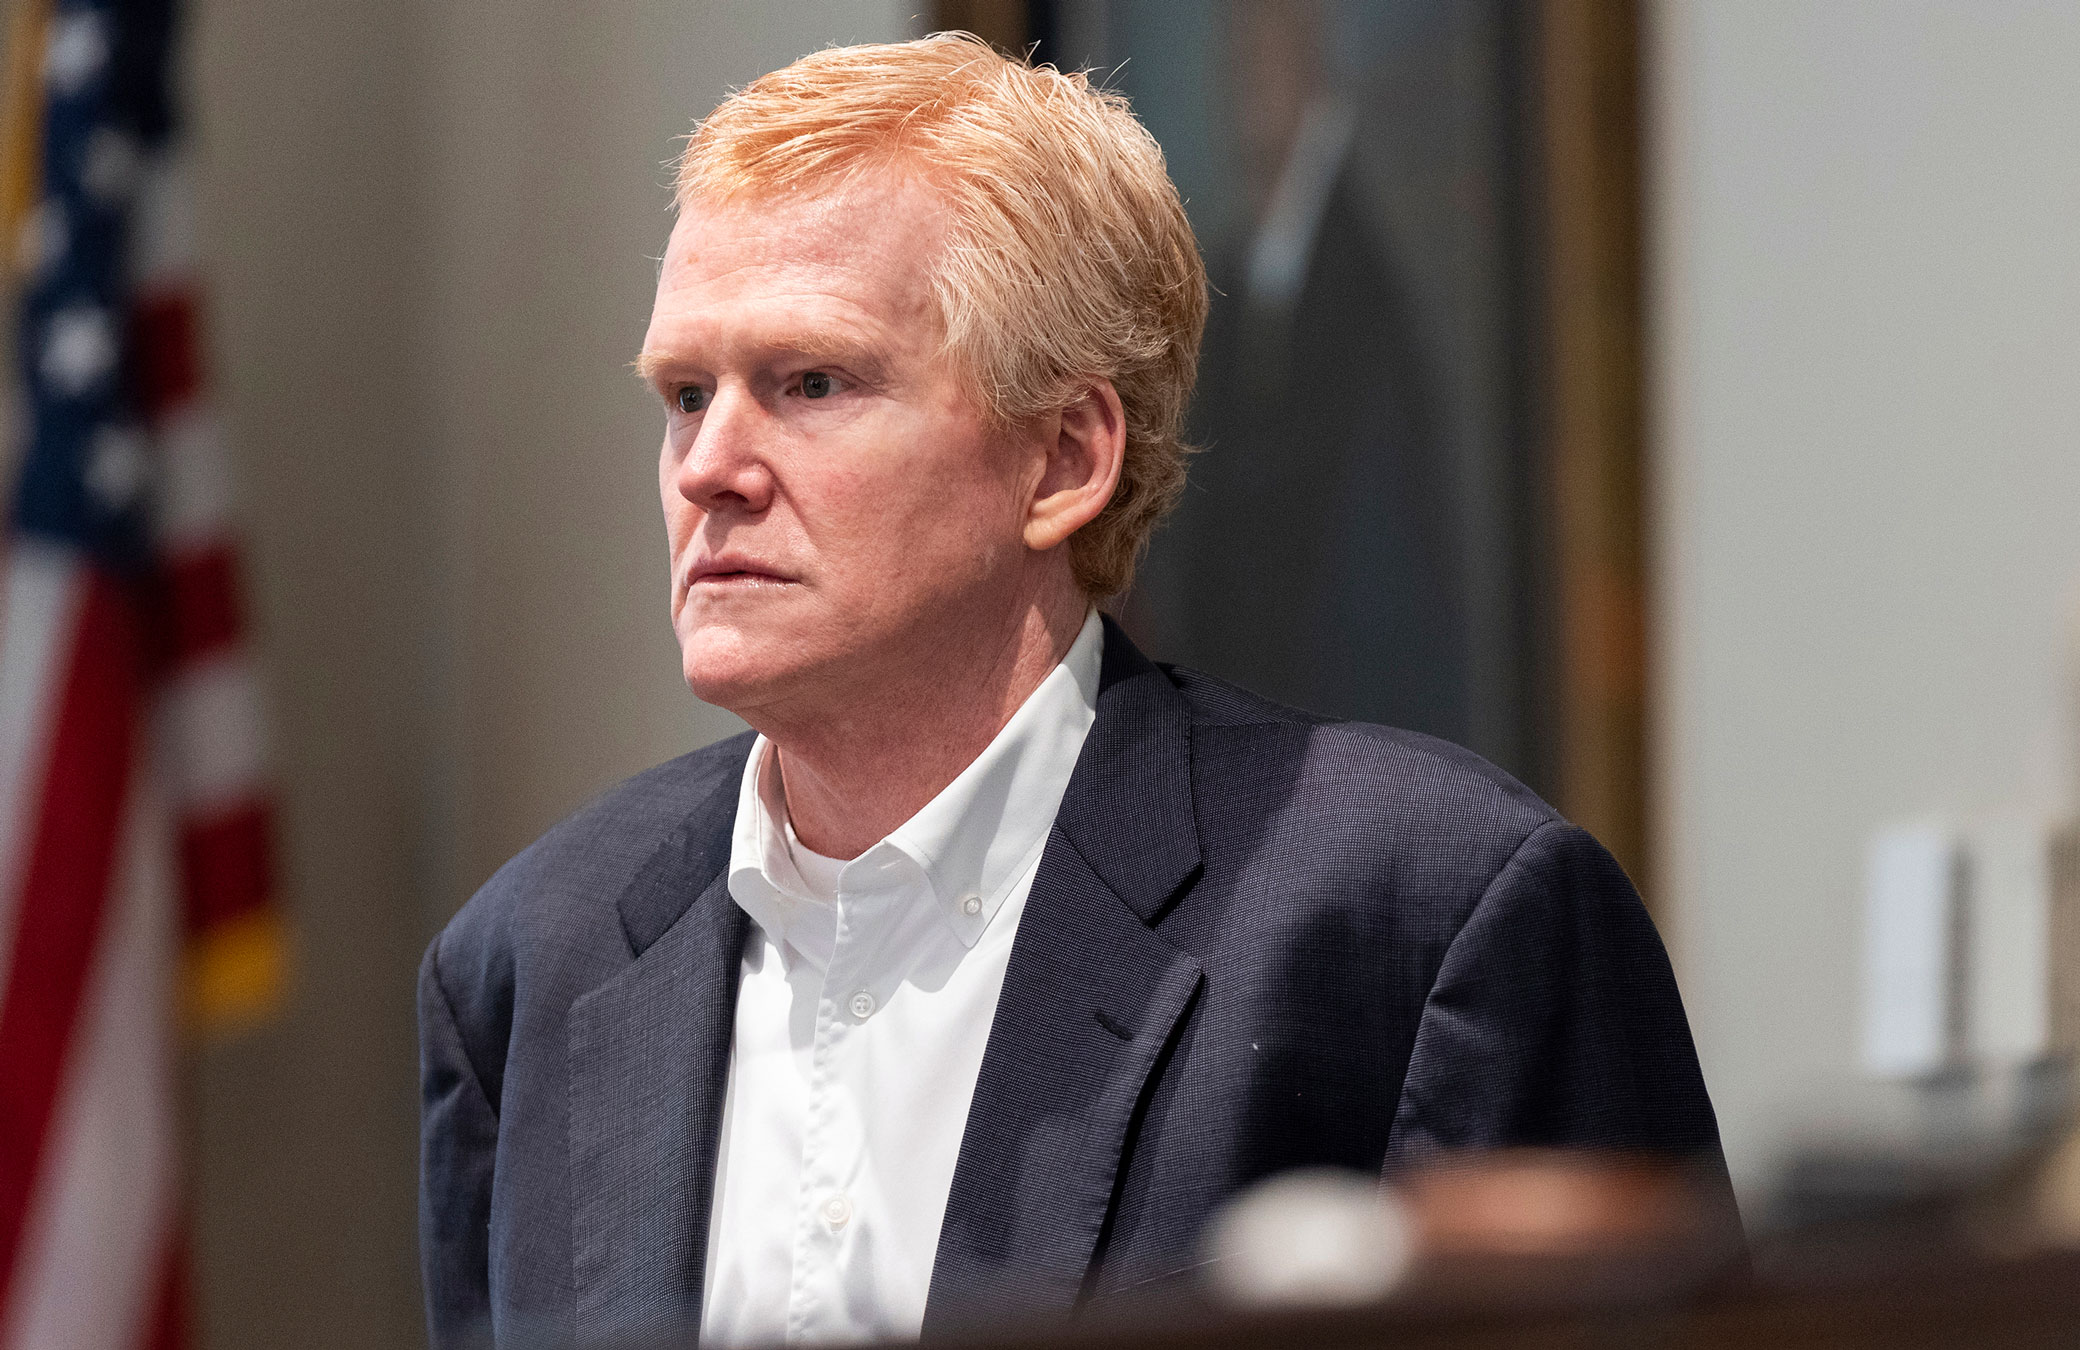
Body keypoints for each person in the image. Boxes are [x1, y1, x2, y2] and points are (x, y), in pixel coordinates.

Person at [417, 34, 1733, 1350]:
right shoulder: (532, 963)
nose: (709, 466)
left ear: (1064, 457)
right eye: (685, 393)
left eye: (808, 382)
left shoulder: (1426, 919)